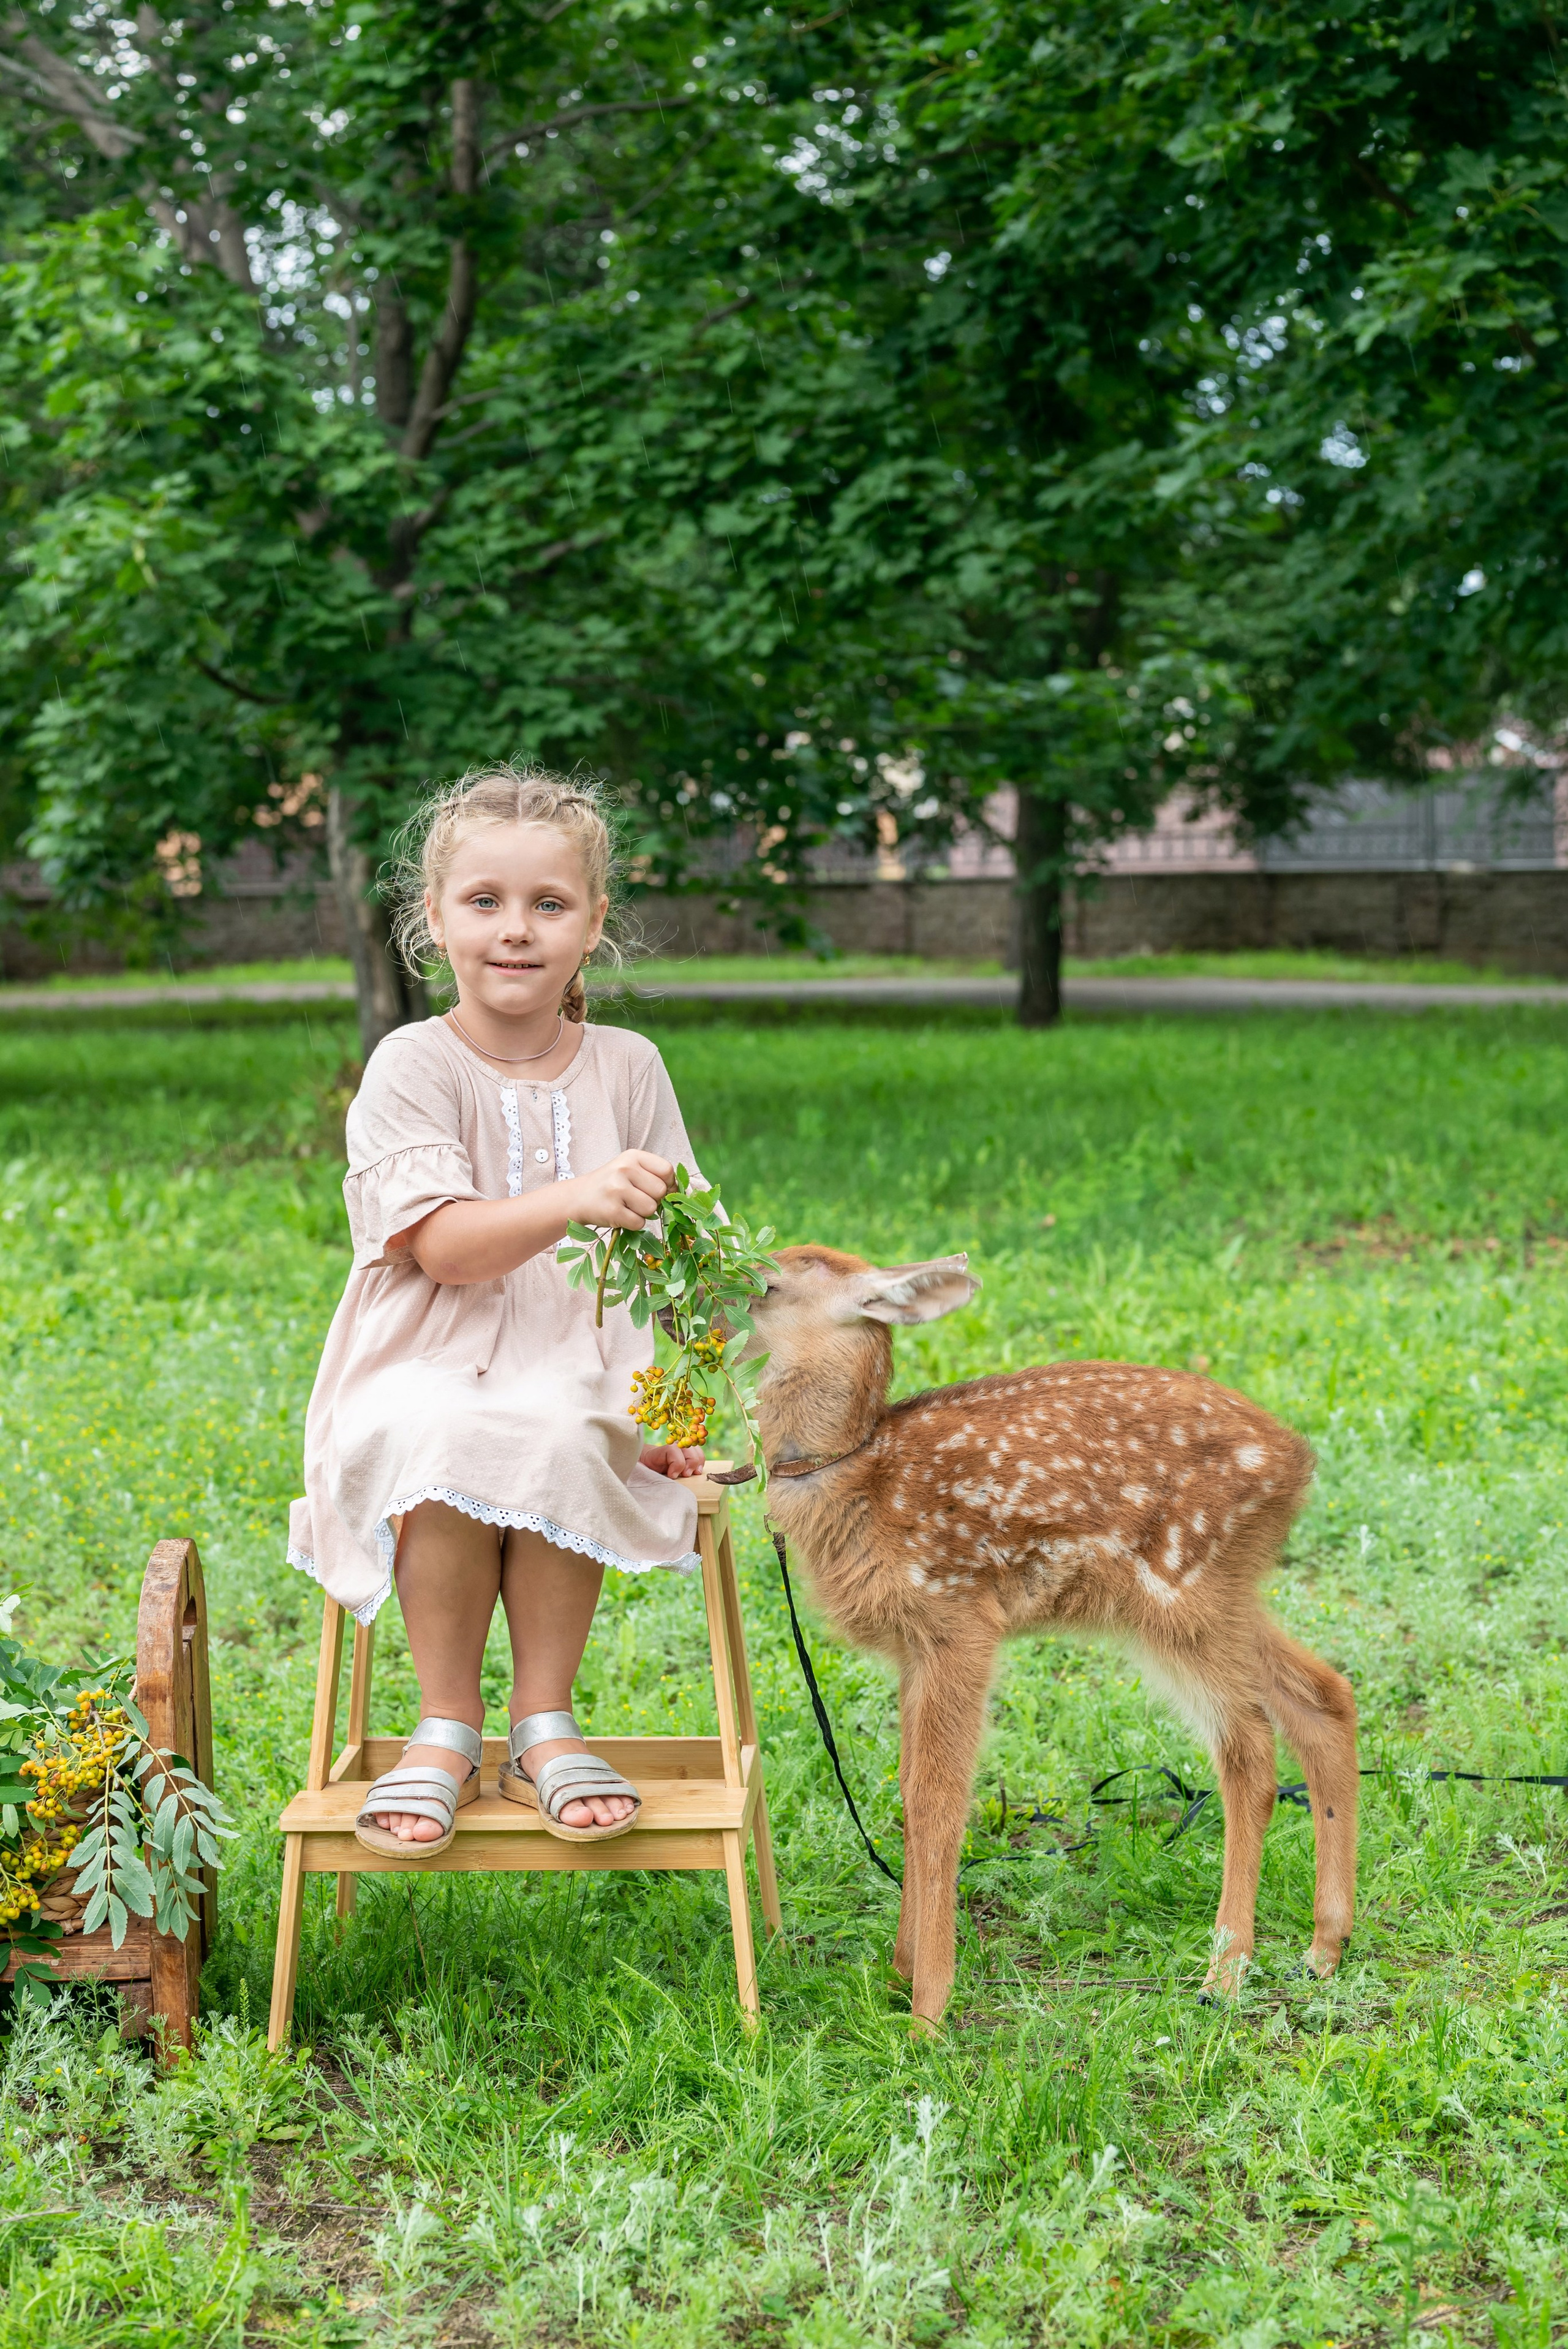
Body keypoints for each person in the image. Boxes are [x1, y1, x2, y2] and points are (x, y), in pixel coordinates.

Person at [287, 765, 707, 1853]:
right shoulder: (410, 1063)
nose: (515, 931)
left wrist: (684, 1408)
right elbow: (442, 1246)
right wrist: (575, 1194)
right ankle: (445, 1723)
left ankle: (543, 1723)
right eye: (484, 902)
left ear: (593, 924)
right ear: (434, 919)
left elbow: (685, 1252)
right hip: (429, 1350)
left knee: (572, 1424)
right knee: (446, 1430)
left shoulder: (629, 1063)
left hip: (580, 1351)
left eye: (548, 905)